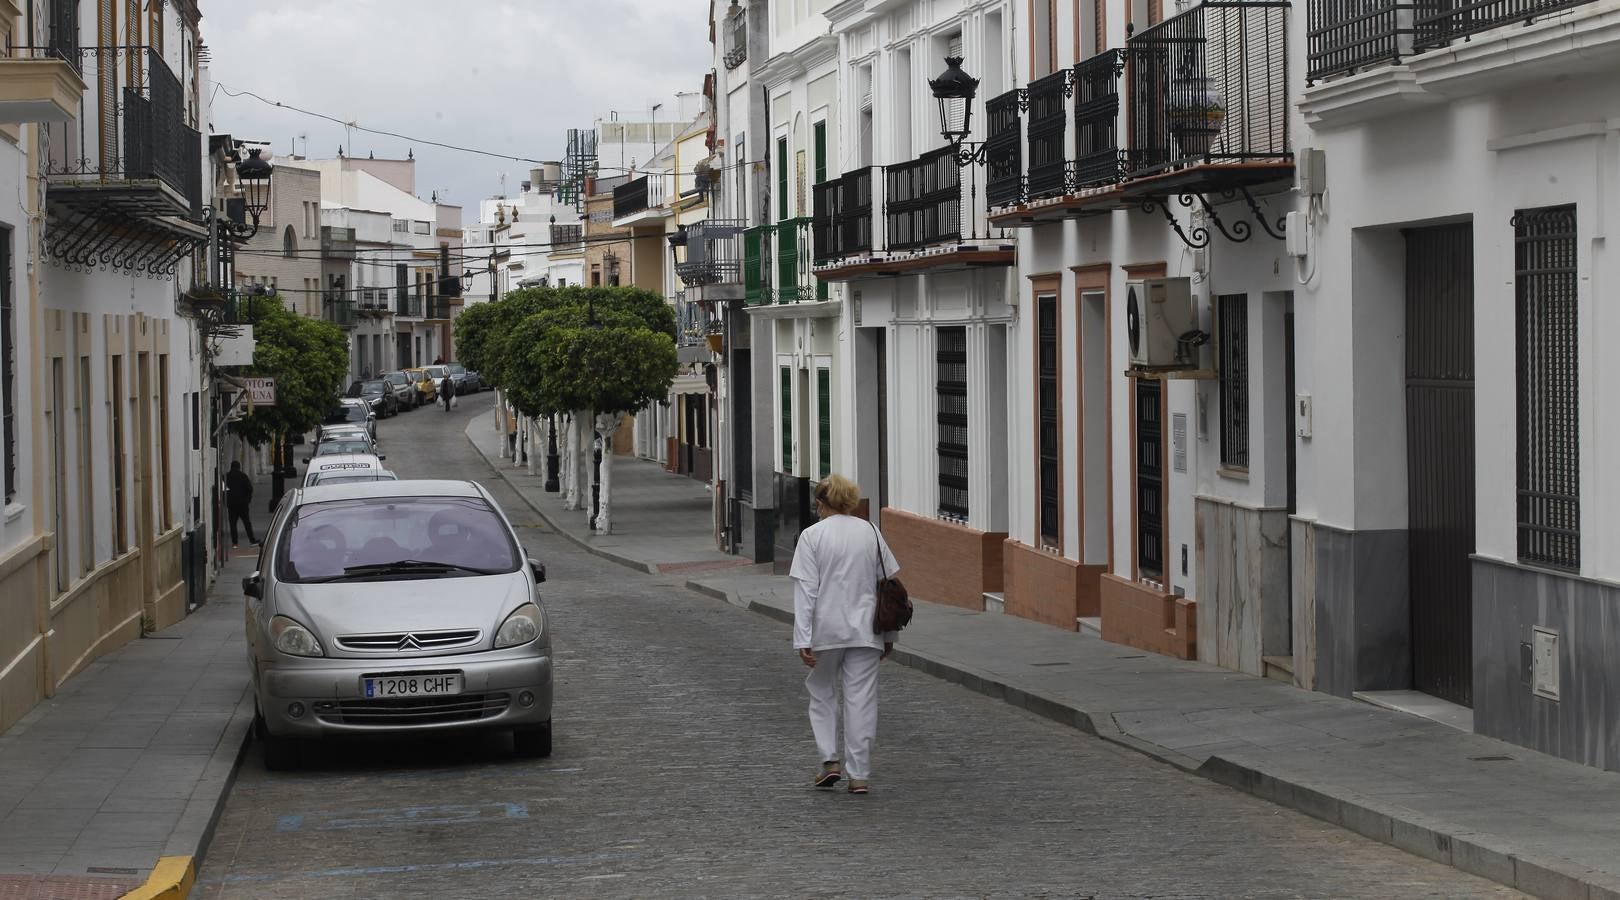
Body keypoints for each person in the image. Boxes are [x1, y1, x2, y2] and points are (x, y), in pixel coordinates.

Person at [789, 474, 899, 795]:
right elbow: (887, 587)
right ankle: (860, 774)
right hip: (867, 629)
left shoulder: (812, 536)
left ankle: (829, 760)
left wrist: (803, 638)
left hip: (826, 629)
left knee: (822, 690)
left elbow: (806, 591)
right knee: (861, 698)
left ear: (821, 503)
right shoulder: (871, 532)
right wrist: (889, 634)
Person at [225, 460, 258, 549]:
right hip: (243, 504)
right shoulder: (243, 476)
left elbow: (224, 489)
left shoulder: (226, 477)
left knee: (233, 524)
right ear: (239, 467)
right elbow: (250, 489)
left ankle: (235, 543)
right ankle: (252, 540)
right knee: (247, 523)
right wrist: (247, 500)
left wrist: (227, 500)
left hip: (231, 504)